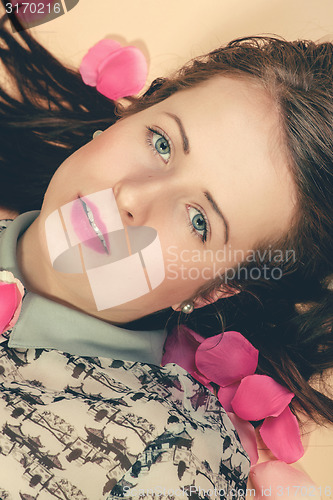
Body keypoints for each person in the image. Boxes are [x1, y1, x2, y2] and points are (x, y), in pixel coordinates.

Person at [0, 5, 332, 498]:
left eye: (199, 220)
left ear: (218, 287)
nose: (132, 199)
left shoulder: (158, 460)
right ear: (129, 115)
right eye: (161, 144)